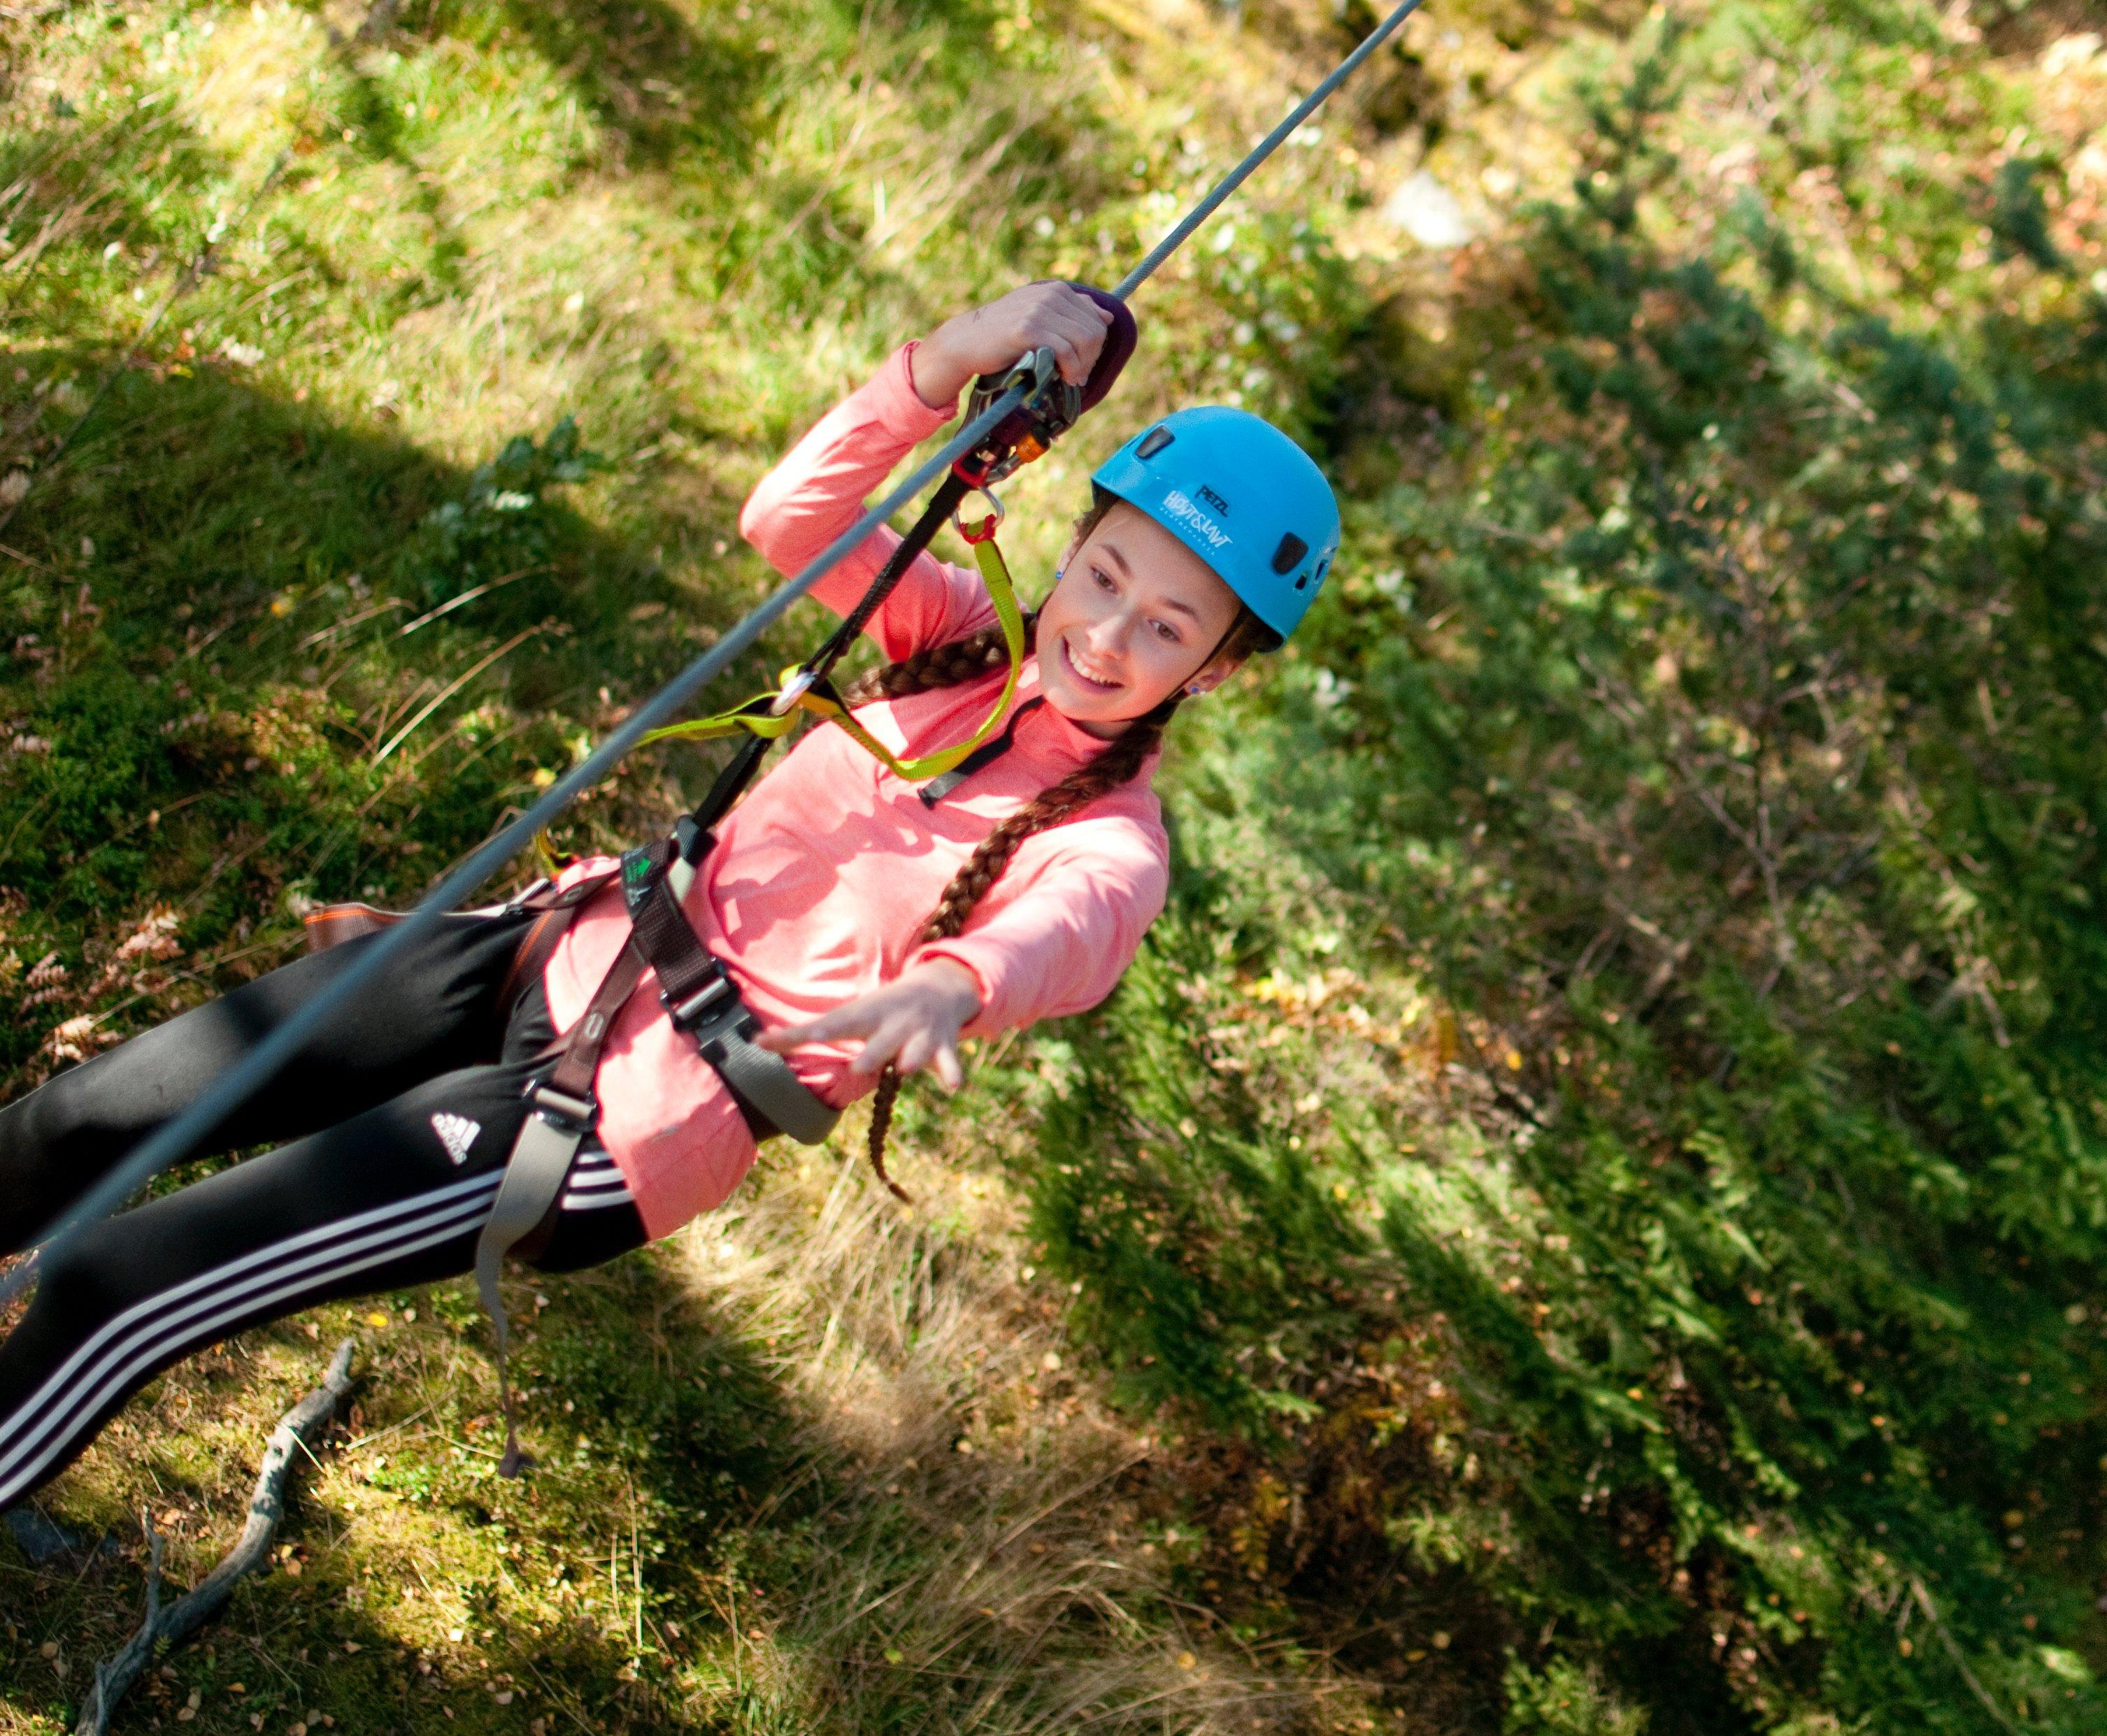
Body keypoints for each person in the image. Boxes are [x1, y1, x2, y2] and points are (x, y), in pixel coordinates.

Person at [0, 281, 1340, 1512]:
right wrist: (946, 364)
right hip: (556, 948)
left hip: (622, 1122)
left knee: (125, 1283)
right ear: (1080, 538)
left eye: (1168, 626)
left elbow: (1069, 933)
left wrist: (953, 983)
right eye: (1104, 574)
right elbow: (793, 521)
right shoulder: (951, 637)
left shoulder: (1111, 839)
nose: (1105, 634)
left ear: (1215, 671)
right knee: (80, 1119)